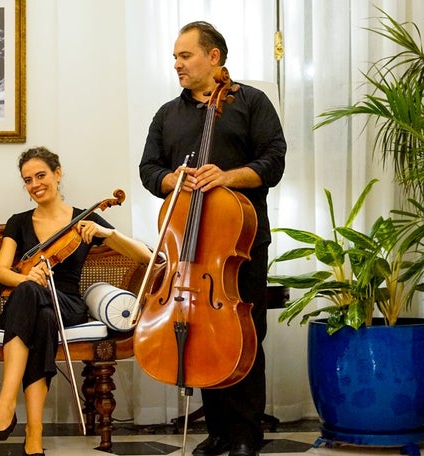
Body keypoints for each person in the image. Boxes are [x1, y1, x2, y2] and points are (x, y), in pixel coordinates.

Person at [138, 21, 286, 456]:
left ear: (214, 57)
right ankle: (218, 431)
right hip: (188, 246)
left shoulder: (252, 103)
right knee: (200, 333)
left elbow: (273, 162)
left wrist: (227, 176)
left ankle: (245, 433)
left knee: (244, 334)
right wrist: (173, 179)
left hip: (238, 246)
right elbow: (148, 169)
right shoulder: (168, 114)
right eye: (175, 58)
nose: (178, 64)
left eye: (185, 56)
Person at [0, 147, 152, 456]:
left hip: (68, 306)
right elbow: (2, 273)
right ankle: (34, 432)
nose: (35, 184)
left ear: (58, 173)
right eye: (28, 180)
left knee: (40, 303)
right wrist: (28, 278)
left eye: (41, 175)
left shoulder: (84, 220)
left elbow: (146, 257)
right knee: (39, 311)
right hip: (27, 304)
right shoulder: (18, 222)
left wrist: (106, 233)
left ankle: (7, 405)